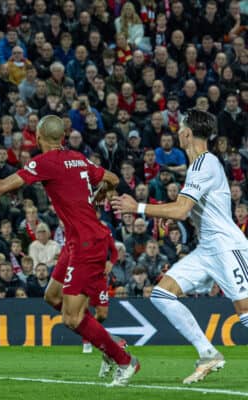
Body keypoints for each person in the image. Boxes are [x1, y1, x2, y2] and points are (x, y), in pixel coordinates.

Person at [0, 115, 138, 387]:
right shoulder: (77, 157)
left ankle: (126, 361)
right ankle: (110, 342)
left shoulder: (45, 162)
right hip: (77, 240)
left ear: (40, 137)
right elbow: (112, 178)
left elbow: (2, 187)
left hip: (87, 243)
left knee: (71, 318)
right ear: (63, 138)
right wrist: (101, 194)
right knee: (52, 296)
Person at [112, 109, 248, 384]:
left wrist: (136, 207)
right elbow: (188, 210)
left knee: (246, 314)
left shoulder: (203, 164)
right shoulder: (199, 165)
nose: (177, 133)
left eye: (180, 128)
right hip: (208, 248)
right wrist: (168, 217)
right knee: (162, 294)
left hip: (227, 247)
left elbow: (183, 210)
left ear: (187, 133)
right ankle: (208, 353)